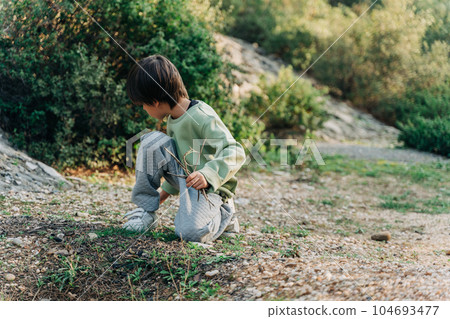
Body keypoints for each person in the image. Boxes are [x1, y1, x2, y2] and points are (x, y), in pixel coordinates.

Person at [123, 55, 246, 243]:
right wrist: (160, 196)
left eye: (143, 105)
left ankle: (225, 214)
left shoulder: (202, 116)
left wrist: (208, 174)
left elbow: (235, 150)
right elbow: (178, 162)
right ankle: (145, 212)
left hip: (210, 188)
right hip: (188, 180)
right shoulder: (173, 119)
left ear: (155, 101)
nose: (144, 110)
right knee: (151, 141)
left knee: (189, 233)